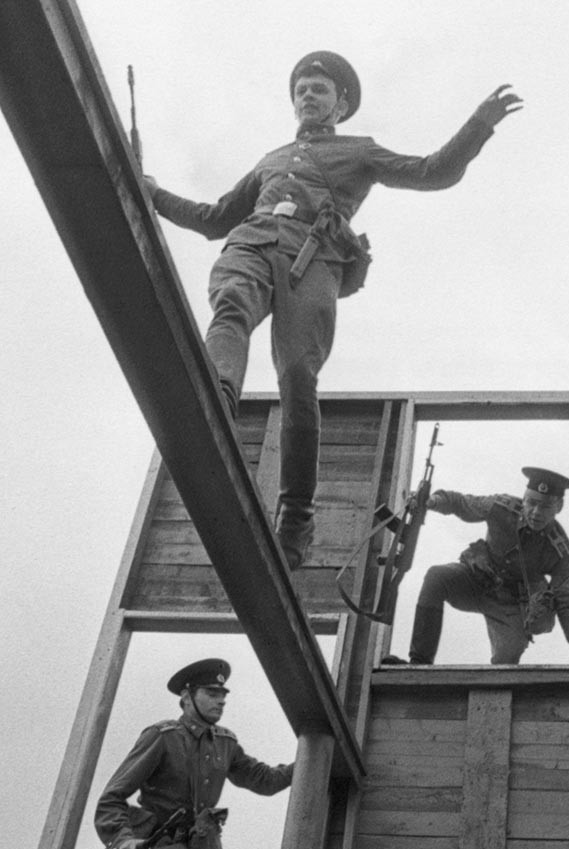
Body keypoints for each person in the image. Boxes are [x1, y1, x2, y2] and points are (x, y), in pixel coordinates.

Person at [145, 52, 522, 569]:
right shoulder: (270, 160)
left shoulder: (358, 151)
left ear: (340, 104)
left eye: (319, 90)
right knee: (231, 307)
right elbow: (215, 220)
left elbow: (433, 172)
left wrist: (479, 125)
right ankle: (216, 400)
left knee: (298, 375)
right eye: (301, 89)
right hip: (252, 243)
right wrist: (155, 195)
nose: (308, 97)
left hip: (313, 259)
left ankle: (296, 514)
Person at [95, 659, 294, 849]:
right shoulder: (162, 737)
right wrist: (124, 843)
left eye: (223, 695)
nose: (221, 701)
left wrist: (311, 759)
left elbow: (265, 780)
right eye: (212, 694)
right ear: (187, 698)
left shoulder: (224, 744)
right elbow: (111, 798)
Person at [383, 467, 569, 675]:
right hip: (476, 581)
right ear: (523, 499)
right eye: (531, 503)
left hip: (512, 605)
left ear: (559, 507)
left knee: (506, 662)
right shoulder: (500, 508)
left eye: (545, 506)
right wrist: (432, 501)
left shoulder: (559, 549)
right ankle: (419, 664)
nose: (535, 512)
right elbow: (461, 503)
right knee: (437, 576)